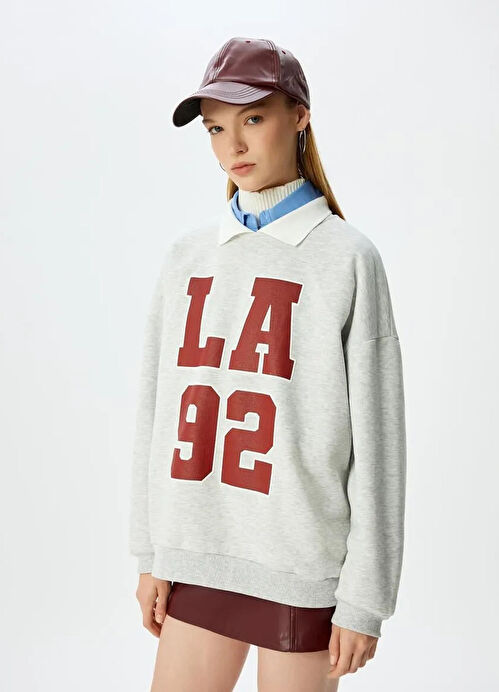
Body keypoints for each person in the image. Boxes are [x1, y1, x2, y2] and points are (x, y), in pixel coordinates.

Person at [129, 36, 407, 692]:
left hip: (300, 568)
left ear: (299, 117)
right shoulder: (188, 256)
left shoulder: (346, 258)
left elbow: (378, 445)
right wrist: (150, 551)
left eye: (253, 118)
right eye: (215, 128)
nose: (233, 145)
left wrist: (365, 599)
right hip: (196, 555)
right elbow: (155, 412)